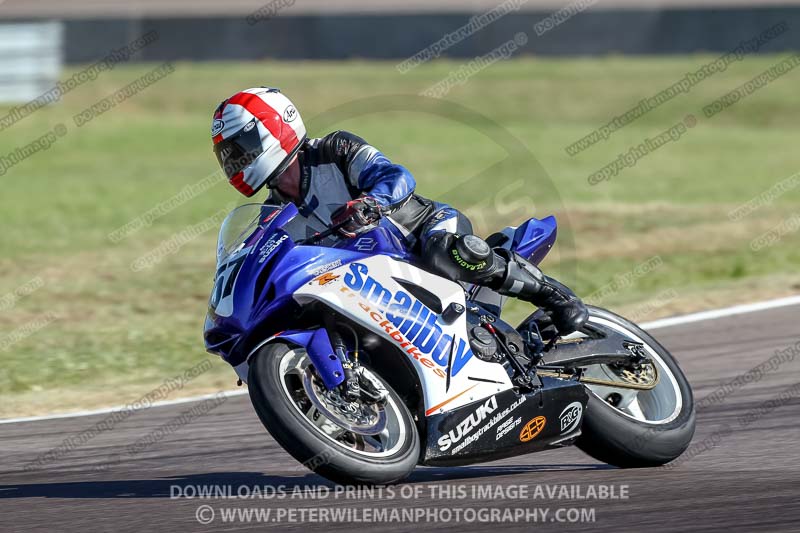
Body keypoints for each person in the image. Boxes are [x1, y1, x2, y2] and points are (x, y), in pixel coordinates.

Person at [211, 87, 588, 335]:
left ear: (277, 129)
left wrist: (372, 204)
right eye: (229, 156)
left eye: (241, 149)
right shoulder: (275, 212)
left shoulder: (334, 150)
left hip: (421, 231)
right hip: (371, 278)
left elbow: (397, 176)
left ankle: (553, 295)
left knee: (444, 254)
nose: (237, 162)